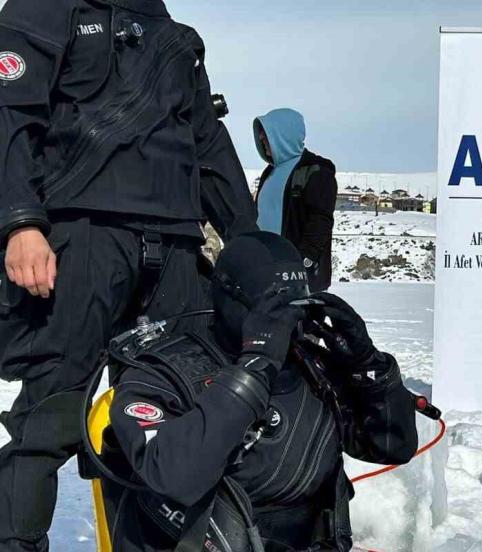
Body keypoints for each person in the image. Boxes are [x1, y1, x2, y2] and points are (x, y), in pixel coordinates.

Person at [0, 1, 258, 550]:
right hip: (82, 241)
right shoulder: (45, 8)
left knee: (178, 417)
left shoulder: (166, 27)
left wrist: (250, 242)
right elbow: (9, 116)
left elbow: (206, 141)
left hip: (177, 249)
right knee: (50, 419)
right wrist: (20, 223)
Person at [98, 232, 419, 551]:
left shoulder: (312, 370)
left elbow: (392, 446)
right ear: (227, 300)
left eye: (297, 306)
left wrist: (369, 367)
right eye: (274, 309)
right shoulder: (161, 374)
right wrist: (254, 368)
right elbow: (171, 475)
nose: (289, 322)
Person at [254, 109, 337, 292]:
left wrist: (305, 260)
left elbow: (320, 221)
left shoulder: (315, 171)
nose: (260, 138)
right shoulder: (269, 173)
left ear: (283, 135)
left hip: (300, 278)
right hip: (268, 274)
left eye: (266, 133)